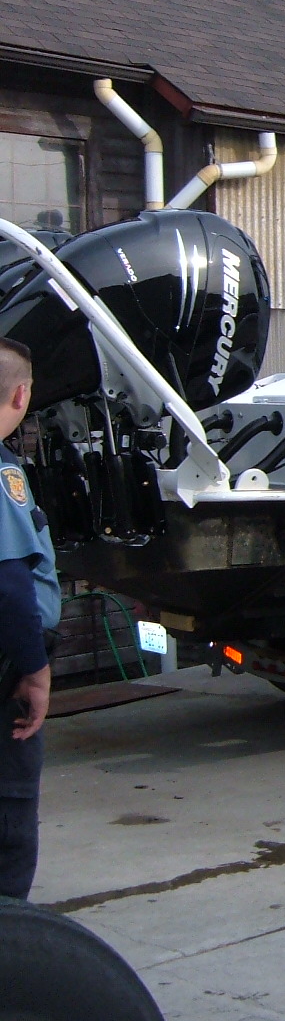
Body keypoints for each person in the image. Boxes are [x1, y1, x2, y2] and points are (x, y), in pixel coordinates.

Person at [0, 337, 57, 899]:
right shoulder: (1, 473)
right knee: (10, 818)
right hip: (5, 672)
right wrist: (35, 674)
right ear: (21, 394)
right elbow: (11, 583)